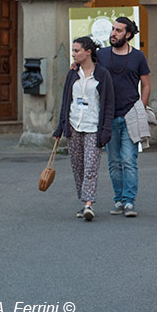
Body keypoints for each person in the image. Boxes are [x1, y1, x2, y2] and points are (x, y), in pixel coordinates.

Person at [54, 36, 114, 221]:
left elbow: (108, 104)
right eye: (73, 50)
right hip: (74, 126)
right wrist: (60, 129)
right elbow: (66, 101)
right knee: (78, 166)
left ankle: (89, 204)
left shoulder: (103, 75)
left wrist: (105, 130)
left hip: (93, 127)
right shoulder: (73, 74)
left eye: (77, 50)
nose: (73, 54)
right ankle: (84, 201)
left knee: (90, 167)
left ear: (88, 52)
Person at [97, 16, 150, 218]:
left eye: (119, 30)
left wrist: (141, 108)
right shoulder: (100, 54)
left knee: (129, 159)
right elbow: (87, 69)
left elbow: (146, 85)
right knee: (113, 161)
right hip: (108, 114)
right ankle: (118, 199)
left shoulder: (138, 57)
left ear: (128, 34)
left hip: (130, 113)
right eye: (113, 29)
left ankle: (129, 201)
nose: (113, 33)